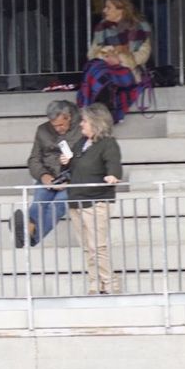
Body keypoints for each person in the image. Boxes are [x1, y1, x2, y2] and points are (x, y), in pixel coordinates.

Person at [65, 103, 124, 293]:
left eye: (85, 121)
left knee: (98, 246)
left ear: (96, 123)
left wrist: (112, 175)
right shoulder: (80, 144)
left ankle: (110, 283)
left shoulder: (108, 143)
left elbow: (113, 163)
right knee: (86, 247)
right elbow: (74, 168)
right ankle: (95, 283)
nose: (81, 124)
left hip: (96, 200)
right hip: (76, 200)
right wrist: (66, 162)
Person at [12, 101, 81, 250]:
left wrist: (70, 179)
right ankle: (27, 231)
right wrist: (44, 176)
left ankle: (30, 234)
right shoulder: (42, 130)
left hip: (73, 177)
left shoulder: (83, 127)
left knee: (58, 204)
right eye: (54, 125)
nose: (58, 129)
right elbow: (34, 159)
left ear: (68, 117)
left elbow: (89, 159)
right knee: (39, 201)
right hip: (49, 175)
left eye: (61, 125)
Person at [77, 0, 152, 123]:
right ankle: (105, 110)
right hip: (106, 68)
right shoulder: (102, 27)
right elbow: (92, 54)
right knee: (95, 68)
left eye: (108, 7)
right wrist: (107, 56)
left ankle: (98, 113)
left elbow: (143, 56)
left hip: (130, 70)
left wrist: (119, 60)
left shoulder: (140, 27)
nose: (104, 10)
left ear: (120, 10)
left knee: (100, 74)